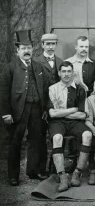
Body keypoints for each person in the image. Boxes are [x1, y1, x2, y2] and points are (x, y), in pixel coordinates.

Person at [0, 29, 49, 186]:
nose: (26, 51)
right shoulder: (10, 68)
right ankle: (13, 176)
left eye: (29, 48)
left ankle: (33, 171)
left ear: (33, 48)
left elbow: (46, 89)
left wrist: (46, 109)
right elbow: (3, 92)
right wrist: (6, 113)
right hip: (17, 110)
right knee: (15, 142)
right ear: (17, 51)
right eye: (23, 48)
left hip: (36, 109)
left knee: (36, 140)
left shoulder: (38, 67)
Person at [48, 61, 92, 192]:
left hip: (74, 123)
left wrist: (61, 112)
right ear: (59, 73)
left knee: (88, 135)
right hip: (57, 123)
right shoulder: (52, 89)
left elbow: (83, 115)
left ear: (73, 73)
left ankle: (77, 173)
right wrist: (73, 109)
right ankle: (62, 176)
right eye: (64, 71)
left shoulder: (80, 89)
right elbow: (51, 113)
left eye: (69, 71)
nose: (66, 74)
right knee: (57, 138)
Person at [34, 33, 64, 178]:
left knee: (57, 136)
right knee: (39, 137)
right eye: (48, 44)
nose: (51, 47)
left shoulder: (60, 62)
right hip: (40, 106)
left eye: (53, 44)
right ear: (42, 45)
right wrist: (44, 107)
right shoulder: (35, 61)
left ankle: (55, 168)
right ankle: (39, 169)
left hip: (57, 107)